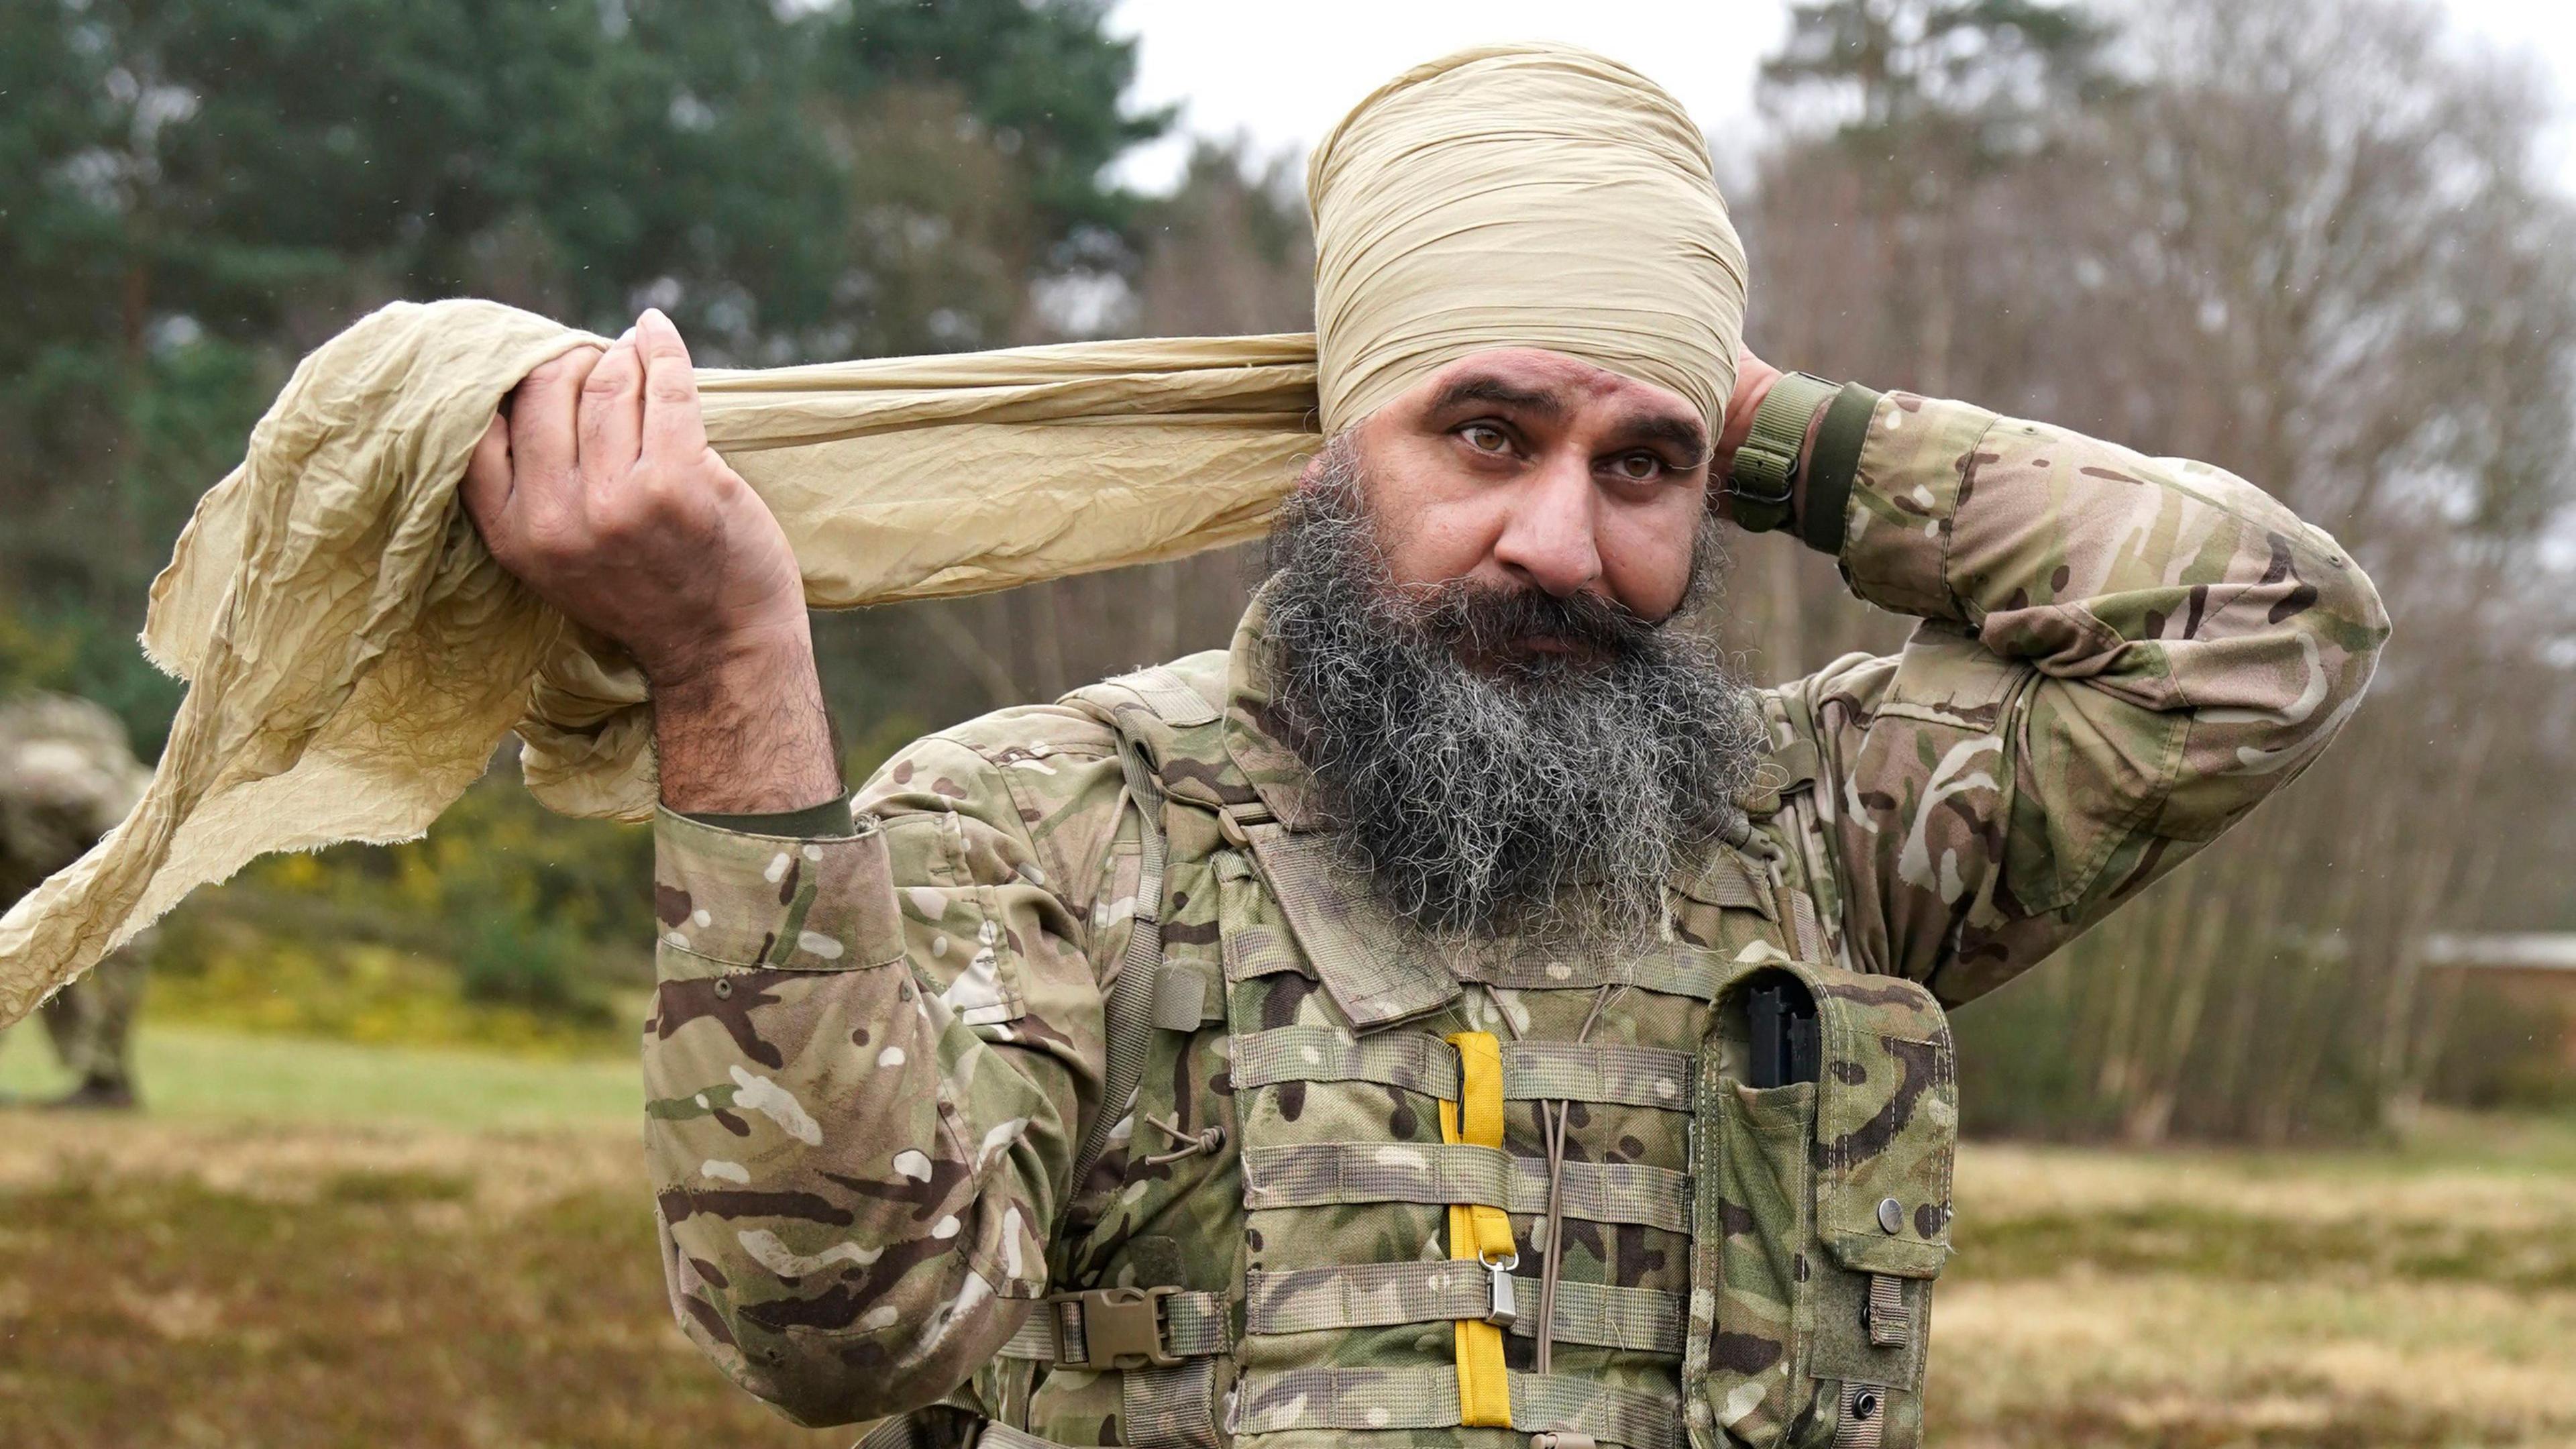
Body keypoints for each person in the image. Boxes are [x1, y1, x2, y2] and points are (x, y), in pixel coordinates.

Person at [465, 47, 2384, 1449]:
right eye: (1485, 432)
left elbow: (2267, 629)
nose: (1563, 540)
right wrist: (730, 670)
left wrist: (1784, 427)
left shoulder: (1819, 834)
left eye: (1644, 467)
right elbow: (834, 1326)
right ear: (1327, 450)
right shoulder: (1043, 827)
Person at [0, 692, 153, 1110]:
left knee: (115, 955)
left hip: (124, 840)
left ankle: (105, 1082)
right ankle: (102, 1077)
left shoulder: (31, 771)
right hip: (87, 840)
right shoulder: (29, 758)